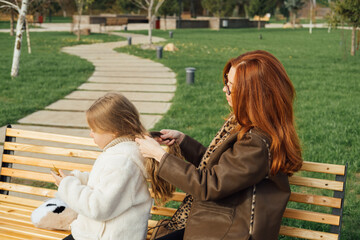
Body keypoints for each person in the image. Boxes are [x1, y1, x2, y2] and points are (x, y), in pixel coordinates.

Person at [135, 50, 303, 240]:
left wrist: (160, 156)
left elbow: (209, 185)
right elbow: (222, 169)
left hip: (228, 232)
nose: (225, 89)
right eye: (226, 82)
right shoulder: (247, 126)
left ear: (252, 94)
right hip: (216, 223)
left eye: (230, 86)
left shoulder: (257, 143)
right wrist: (183, 141)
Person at [51, 93, 174, 240]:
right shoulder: (120, 153)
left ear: (114, 131)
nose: (91, 134)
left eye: (94, 130)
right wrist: (78, 179)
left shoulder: (122, 162)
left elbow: (98, 207)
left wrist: (67, 186)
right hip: (94, 234)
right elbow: (106, 184)